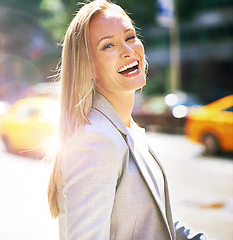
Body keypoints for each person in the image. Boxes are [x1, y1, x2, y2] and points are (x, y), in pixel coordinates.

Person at [47, 0, 215, 239]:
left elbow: (152, 223)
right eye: (108, 46)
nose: (128, 50)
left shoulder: (125, 128)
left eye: (130, 37)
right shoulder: (95, 141)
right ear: (89, 66)